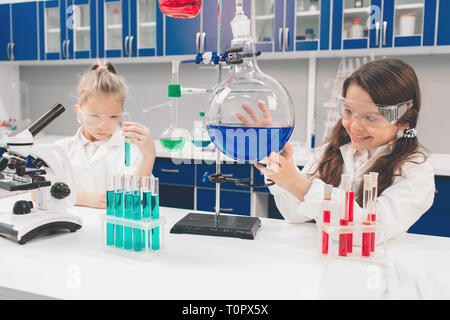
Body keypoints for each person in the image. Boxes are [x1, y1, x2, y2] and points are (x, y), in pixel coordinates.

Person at [250, 58, 435, 240]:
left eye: (370, 117)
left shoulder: (415, 170)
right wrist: (278, 168)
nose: (353, 126)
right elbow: (293, 214)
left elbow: (370, 231)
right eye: (348, 111)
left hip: (375, 268)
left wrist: (301, 186)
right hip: (323, 261)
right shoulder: (329, 153)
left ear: (403, 121)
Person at [56, 62, 156, 209]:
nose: (103, 124)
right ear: (78, 111)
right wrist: (86, 198)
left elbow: (136, 198)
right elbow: (39, 194)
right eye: (95, 116)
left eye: (113, 116)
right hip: (70, 228)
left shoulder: (130, 148)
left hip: (113, 227)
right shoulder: (61, 149)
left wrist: (149, 156)